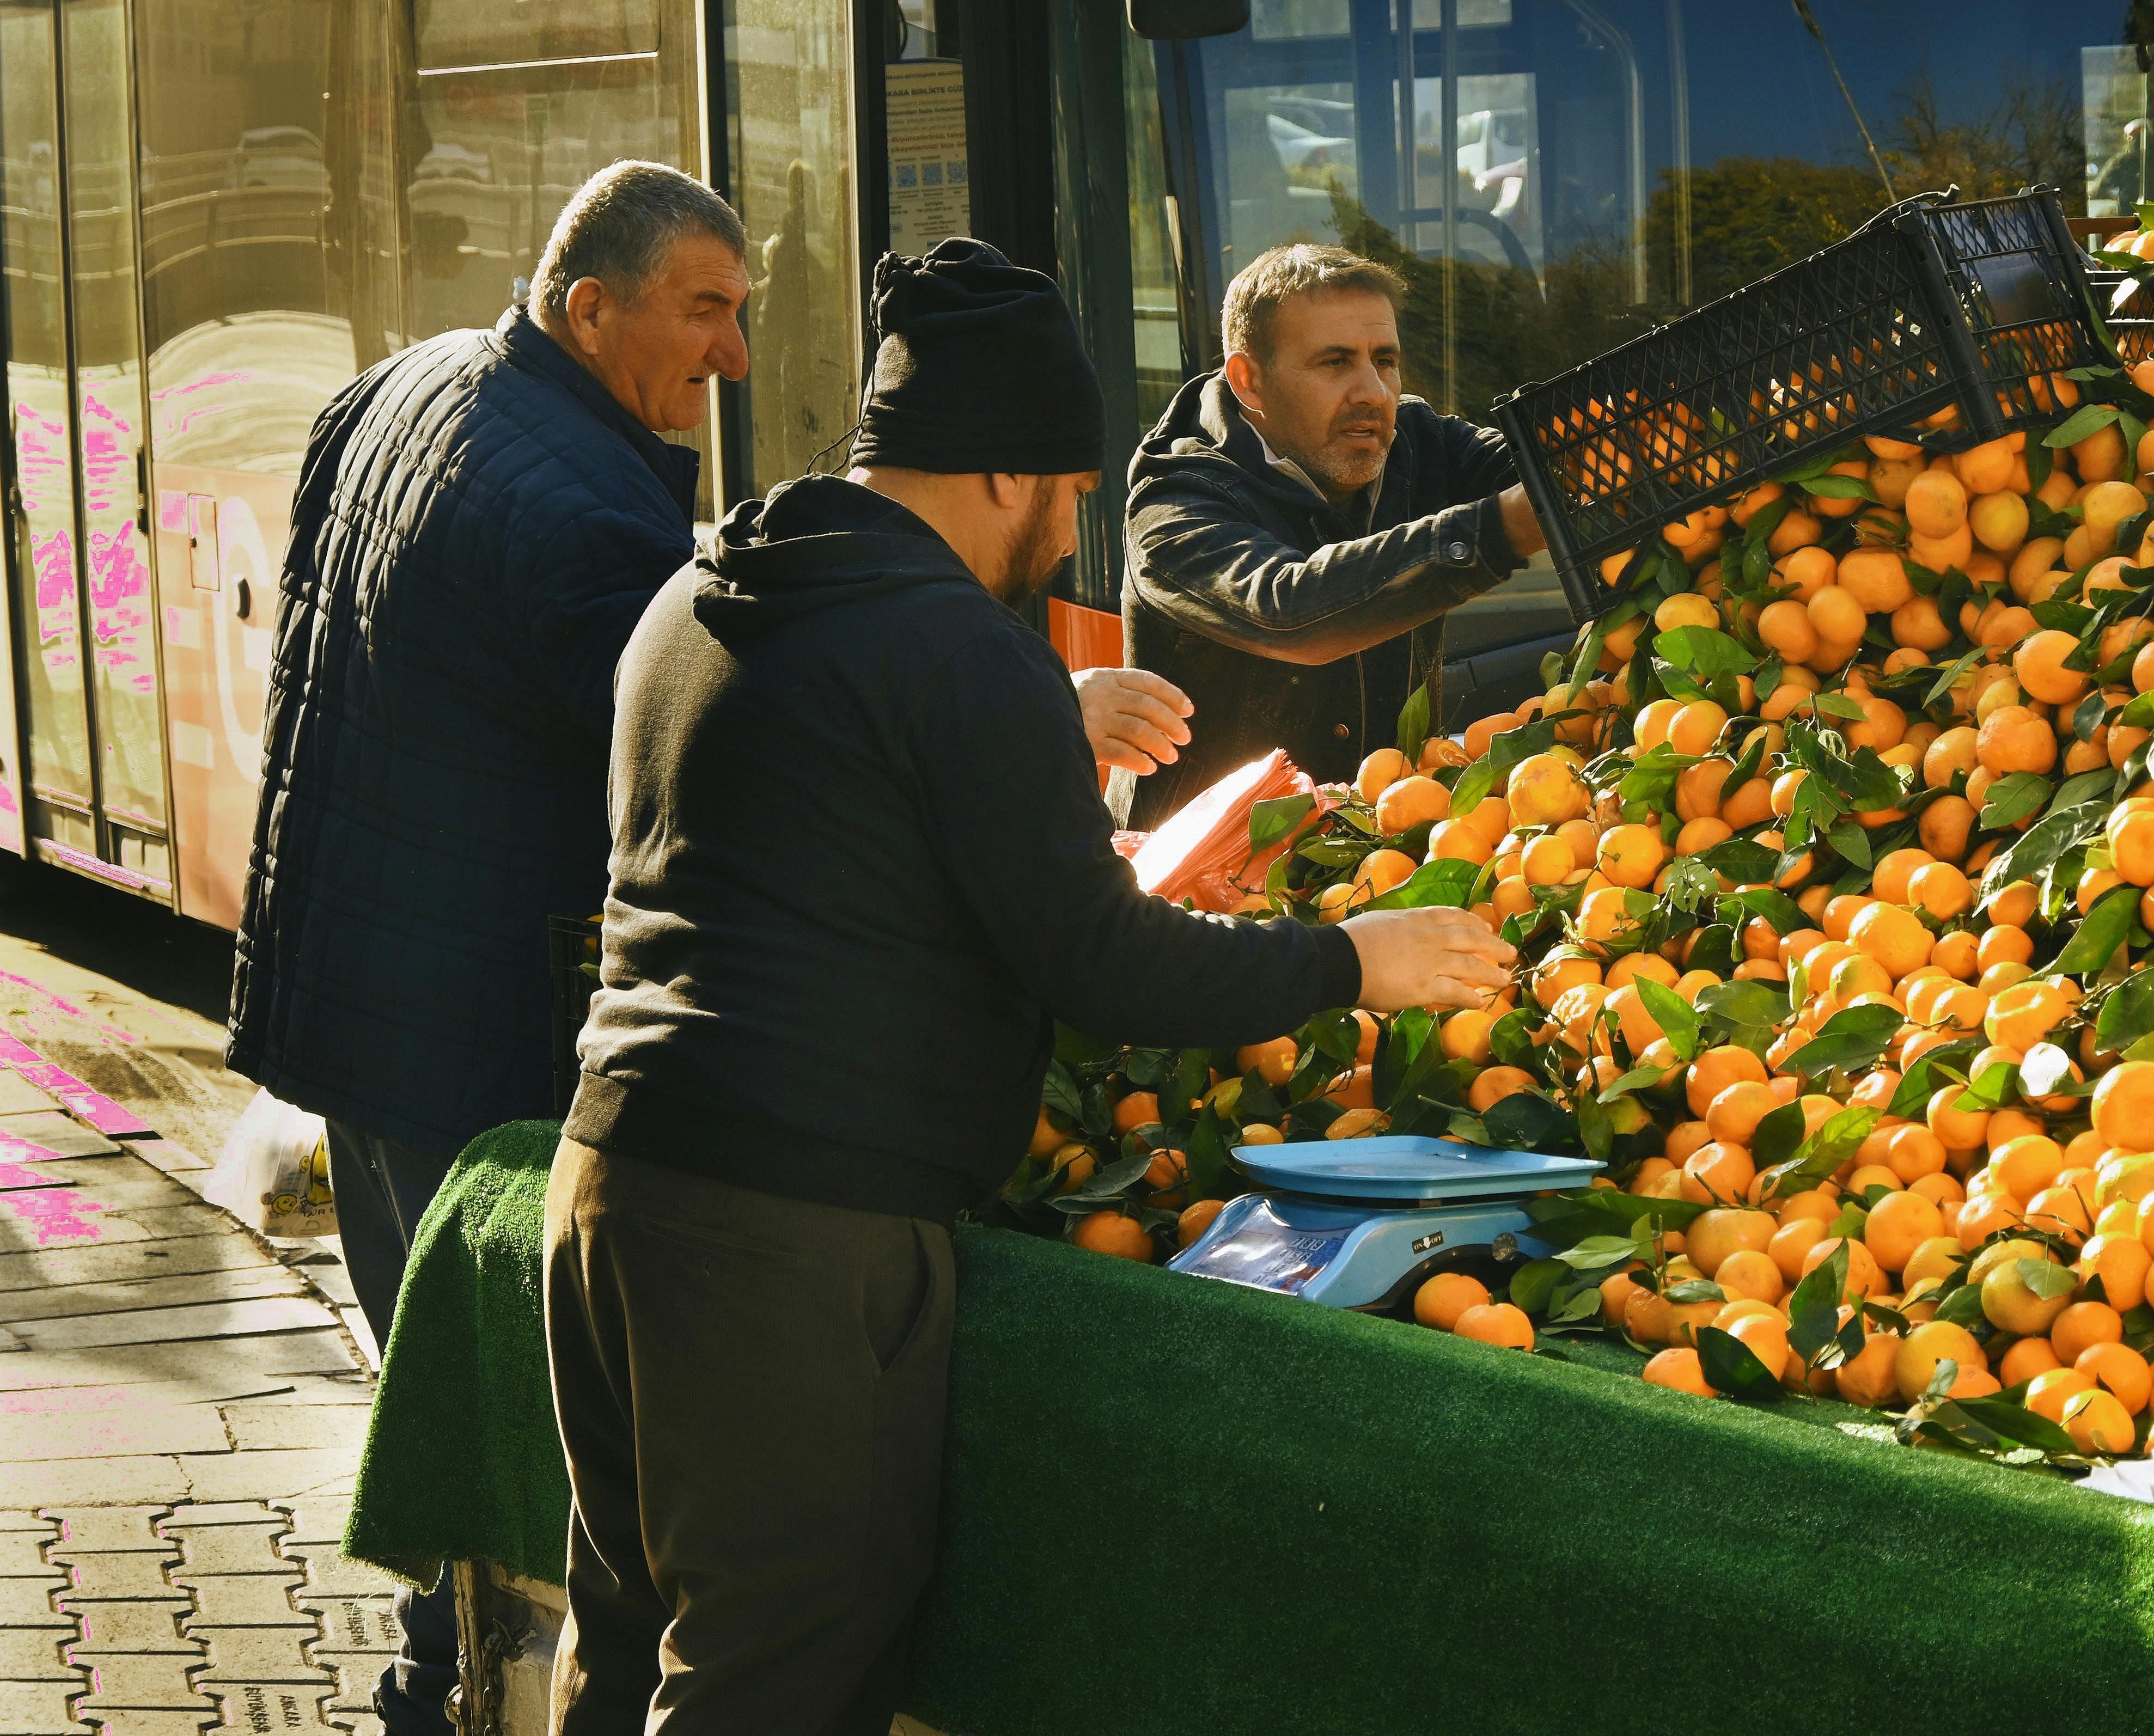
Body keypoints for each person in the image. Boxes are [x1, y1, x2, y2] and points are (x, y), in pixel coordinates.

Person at [542, 239, 1513, 1735]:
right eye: (1063, 495)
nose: (1069, 534)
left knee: (626, 1635)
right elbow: (1101, 964)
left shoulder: (704, 593)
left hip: (613, 1174)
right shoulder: (954, 645)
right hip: (792, 1234)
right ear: (1000, 472)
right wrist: (1353, 960)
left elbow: (817, 834)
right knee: (779, 1662)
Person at [225, 160, 749, 1734]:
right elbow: (695, 749)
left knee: (430, 1371)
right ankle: (448, 1691)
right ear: (592, 310)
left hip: (353, 987)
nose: (732, 356)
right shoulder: (585, 511)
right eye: (705, 312)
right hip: (467, 1025)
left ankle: (438, 1672)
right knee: (507, 1419)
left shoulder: (405, 382)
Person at [1120, 242, 1547, 826]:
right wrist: (1506, 527)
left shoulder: (1416, 438)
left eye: (1386, 361)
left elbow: (1554, 469)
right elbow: (1289, 608)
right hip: (1206, 889)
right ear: (1249, 381)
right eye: (1335, 362)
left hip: (1381, 854)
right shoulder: (1175, 503)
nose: (1373, 391)